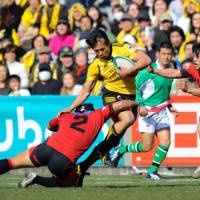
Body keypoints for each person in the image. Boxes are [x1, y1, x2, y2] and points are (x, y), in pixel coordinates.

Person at [58, 28, 151, 184]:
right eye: (96, 51)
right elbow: (85, 91)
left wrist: (130, 70)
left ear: (108, 43)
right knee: (127, 118)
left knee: (114, 140)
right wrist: (70, 108)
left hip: (131, 95)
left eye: (102, 49)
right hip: (111, 95)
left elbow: (146, 60)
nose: (100, 52)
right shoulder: (95, 65)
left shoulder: (123, 49)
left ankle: (82, 167)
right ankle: (102, 152)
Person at [0, 99, 137, 188]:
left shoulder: (66, 115)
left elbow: (50, 126)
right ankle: (36, 179)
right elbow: (121, 104)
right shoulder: (97, 115)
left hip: (45, 149)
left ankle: (34, 178)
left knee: (11, 162)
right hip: (62, 160)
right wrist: (136, 104)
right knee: (71, 184)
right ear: (91, 110)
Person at [111, 42, 178, 180]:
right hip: (147, 112)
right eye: (163, 54)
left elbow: (164, 91)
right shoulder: (149, 70)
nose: (166, 57)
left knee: (166, 142)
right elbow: (137, 88)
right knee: (147, 146)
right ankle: (121, 150)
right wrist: (140, 105)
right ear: (158, 54)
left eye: (169, 54)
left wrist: (169, 106)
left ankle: (152, 171)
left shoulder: (171, 70)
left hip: (161, 112)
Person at [146, 42, 200, 178]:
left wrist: (190, 90)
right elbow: (174, 72)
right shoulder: (194, 68)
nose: (195, 59)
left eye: (198, 57)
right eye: (194, 56)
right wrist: (155, 71)